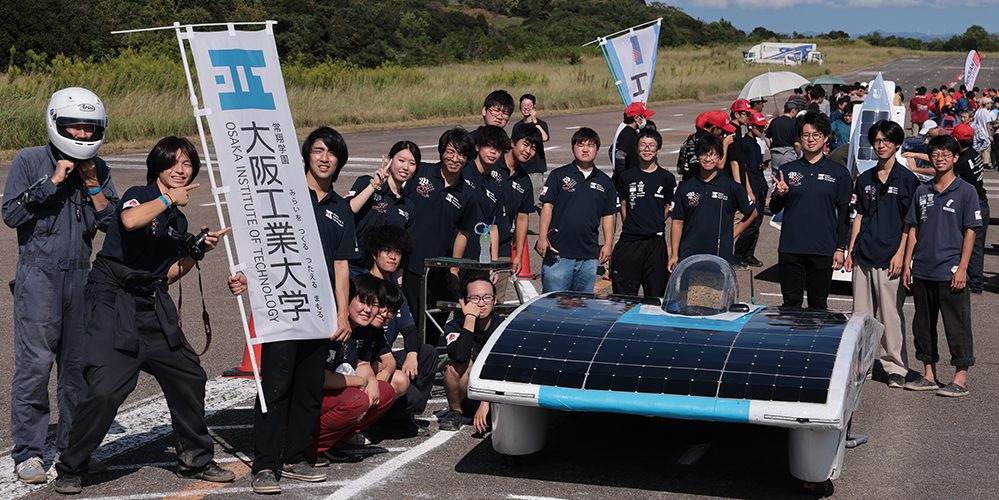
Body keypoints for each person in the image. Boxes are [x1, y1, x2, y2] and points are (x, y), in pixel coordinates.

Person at [53, 137, 233, 494]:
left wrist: (196, 252)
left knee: (189, 374)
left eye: (187, 164)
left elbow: (166, 275)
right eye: (173, 163)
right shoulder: (141, 193)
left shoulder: (177, 222)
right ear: (158, 167)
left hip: (151, 301)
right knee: (106, 387)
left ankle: (195, 458)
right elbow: (131, 219)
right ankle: (73, 464)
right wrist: (166, 199)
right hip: (111, 298)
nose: (181, 170)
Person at [2, 87, 118, 484]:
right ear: (57, 124)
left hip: (81, 276)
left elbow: (112, 225)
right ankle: (30, 451)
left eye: (90, 129)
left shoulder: (99, 169)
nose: (83, 135)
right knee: (35, 366)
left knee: (77, 369)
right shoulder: (29, 159)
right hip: (40, 275)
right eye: (75, 127)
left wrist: (90, 183)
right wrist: (52, 182)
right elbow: (11, 215)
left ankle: (74, 449)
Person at [246, 127, 358, 492]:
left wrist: (342, 314)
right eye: (318, 150)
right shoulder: (287, 195)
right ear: (307, 154)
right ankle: (264, 465)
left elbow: (342, 265)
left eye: (332, 153)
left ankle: (296, 457)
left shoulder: (341, 207)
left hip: (320, 313)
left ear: (339, 161)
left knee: (309, 389)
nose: (325, 158)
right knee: (275, 386)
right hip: (286, 305)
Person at [901, 135, 980, 397]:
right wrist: (907, 263)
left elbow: (971, 232)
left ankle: (960, 378)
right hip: (922, 268)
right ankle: (929, 375)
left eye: (946, 153)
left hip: (950, 270)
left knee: (956, 325)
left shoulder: (966, 191)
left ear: (955, 158)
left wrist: (962, 268)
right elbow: (912, 229)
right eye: (935, 153)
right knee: (922, 325)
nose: (940, 157)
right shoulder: (922, 191)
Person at [844, 121, 919, 389]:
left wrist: (902, 255)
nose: (881, 145)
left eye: (886, 140)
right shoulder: (865, 179)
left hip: (891, 258)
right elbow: (859, 216)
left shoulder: (908, 180)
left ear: (897, 144)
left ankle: (895, 366)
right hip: (864, 256)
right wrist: (851, 250)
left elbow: (910, 224)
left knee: (890, 315)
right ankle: (861, 365)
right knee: (860, 317)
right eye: (876, 140)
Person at [308, 275, 398, 476]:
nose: (368, 310)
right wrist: (361, 381)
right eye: (362, 301)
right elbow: (321, 378)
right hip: (308, 397)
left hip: (332, 391)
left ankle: (335, 440)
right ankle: (311, 445)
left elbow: (363, 362)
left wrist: (372, 380)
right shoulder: (332, 328)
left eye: (374, 305)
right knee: (357, 399)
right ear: (345, 299)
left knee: (385, 392)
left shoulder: (361, 328)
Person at [402, 128, 482, 347]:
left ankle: (422, 366)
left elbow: (463, 233)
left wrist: (453, 268)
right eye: (450, 152)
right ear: (441, 151)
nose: (454, 159)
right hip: (410, 265)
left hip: (439, 270)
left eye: (461, 155)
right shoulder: (422, 172)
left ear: (467, 159)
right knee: (408, 322)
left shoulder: (467, 193)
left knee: (431, 326)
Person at [355, 225, 437, 437]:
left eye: (398, 252)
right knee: (410, 394)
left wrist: (411, 354)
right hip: (363, 359)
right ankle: (376, 420)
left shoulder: (394, 289)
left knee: (427, 353)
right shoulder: (363, 287)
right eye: (387, 251)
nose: (393, 257)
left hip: (385, 356)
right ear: (374, 253)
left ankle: (400, 416)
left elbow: (410, 330)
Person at [769, 112, 851, 309]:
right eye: (806, 134)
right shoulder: (787, 170)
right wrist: (780, 194)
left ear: (825, 138)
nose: (811, 139)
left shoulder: (838, 172)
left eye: (816, 134)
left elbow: (844, 215)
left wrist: (840, 248)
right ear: (799, 138)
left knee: (818, 305)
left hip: (823, 249)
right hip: (791, 248)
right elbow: (773, 208)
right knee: (790, 304)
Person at [537, 128, 619, 293]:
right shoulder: (558, 175)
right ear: (573, 148)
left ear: (597, 149)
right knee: (553, 305)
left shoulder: (605, 182)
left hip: (588, 255)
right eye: (580, 145)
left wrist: (608, 244)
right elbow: (547, 206)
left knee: (582, 308)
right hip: (558, 251)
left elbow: (608, 215)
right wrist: (542, 237)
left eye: (591, 145)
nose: (585, 149)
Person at [669, 136, 756, 271]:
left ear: (720, 157)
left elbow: (752, 213)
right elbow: (677, 222)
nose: (708, 159)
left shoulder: (732, 187)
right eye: (704, 154)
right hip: (689, 253)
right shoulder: (685, 187)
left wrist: (732, 234)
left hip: (719, 255)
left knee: (716, 290)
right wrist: (674, 255)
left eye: (713, 154)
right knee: (690, 290)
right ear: (697, 156)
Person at [611, 128, 677, 296]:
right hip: (630, 241)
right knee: (624, 296)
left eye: (651, 145)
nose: (647, 149)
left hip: (655, 242)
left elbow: (668, 206)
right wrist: (633, 223)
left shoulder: (666, 178)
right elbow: (624, 205)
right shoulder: (627, 176)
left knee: (655, 295)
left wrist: (655, 220)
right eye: (643, 145)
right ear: (636, 148)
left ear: (658, 149)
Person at [439, 275, 500, 432]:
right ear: (463, 301)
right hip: (469, 395)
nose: (481, 303)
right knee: (454, 366)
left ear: (495, 300)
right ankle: (455, 412)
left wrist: (486, 401)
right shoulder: (454, 326)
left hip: (497, 397)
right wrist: (470, 318)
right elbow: (459, 356)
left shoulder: (503, 326)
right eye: (474, 298)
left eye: (487, 297)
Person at [344, 141, 417, 242]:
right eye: (401, 160)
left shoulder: (408, 206)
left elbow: (404, 245)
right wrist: (374, 185)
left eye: (412, 163)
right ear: (389, 160)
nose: (406, 167)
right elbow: (349, 209)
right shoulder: (366, 182)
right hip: (358, 256)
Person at [949, 123, 990, 294]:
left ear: (956, 140)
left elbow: (939, 167)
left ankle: (975, 284)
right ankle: (975, 282)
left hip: (975, 205)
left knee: (972, 245)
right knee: (976, 245)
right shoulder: (973, 153)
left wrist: (915, 166)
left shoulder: (962, 161)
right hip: (982, 202)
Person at [497, 125, 541, 278]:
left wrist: (518, 255)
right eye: (526, 144)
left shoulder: (524, 181)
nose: (528, 151)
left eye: (533, 148)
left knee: (496, 298)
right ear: (512, 142)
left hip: (503, 248)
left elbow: (522, 219)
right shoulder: (491, 165)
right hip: (477, 243)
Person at [461, 125, 507, 264]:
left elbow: (493, 227)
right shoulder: (462, 173)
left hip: (479, 257)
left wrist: (492, 263)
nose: (493, 152)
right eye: (488, 146)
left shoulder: (495, 186)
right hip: (454, 254)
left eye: (498, 148)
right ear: (477, 147)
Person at [733, 112, 770, 268]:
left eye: (763, 127)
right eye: (760, 127)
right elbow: (743, 168)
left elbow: (753, 166)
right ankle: (738, 254)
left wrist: (762, 166)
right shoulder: (744, 143)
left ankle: (749, 253)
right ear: (751, 126)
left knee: (758, 223)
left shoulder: (755, 143)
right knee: (751, 223)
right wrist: (747, 189)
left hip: (760, 185)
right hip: (752, 188)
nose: (762, 130)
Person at [512, 94, 550, 204]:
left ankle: (547, 221)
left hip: (535, 169)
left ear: (534, 107)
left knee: (538, 202)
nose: (526, 107)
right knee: (519, 201)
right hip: (520, 168)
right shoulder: (518, 126)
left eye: (529, 105)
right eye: (523, 105)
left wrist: (535, 121)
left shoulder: (541, 124)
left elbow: (544, 138)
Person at [677, 111, 735, 182]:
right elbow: (720, 165)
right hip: (700, 183)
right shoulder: (708, 140)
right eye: (722, 130)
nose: (723, 133)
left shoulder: (691, 137)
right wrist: (725, 143)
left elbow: (680, 169)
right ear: (714, 128)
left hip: (687, 181)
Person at [611, 102, 655, 185]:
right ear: (637, 118)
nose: (646, 120)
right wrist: (624, 177)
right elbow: (620, 155)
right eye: (644, 117)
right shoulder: (629, 135)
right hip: (627, 182)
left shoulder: (630, 132)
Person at [765, 102, 801, 187]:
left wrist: (771, 147)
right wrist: (798, 154)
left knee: (776, 179)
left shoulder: (775, 121)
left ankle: (776, 196)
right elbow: (797, 144)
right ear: (793, 111)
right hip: (788, 153)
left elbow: (766, 137)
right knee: (790, 179)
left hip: (775, 154)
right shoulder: (794, 123)